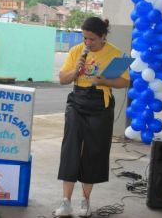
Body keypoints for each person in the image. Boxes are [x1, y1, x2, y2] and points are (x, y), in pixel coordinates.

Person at [55, 17, 130, 217]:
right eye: (85, 38)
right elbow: (63, 79)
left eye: (92, 39)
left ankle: (85, 202)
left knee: (94, 152)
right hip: (77, 101)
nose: (87, 43)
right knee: (70, 147)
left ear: (103, 36)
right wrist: (75, 70)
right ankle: (65, 201)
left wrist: (105, 80)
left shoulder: (115, 54)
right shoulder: (76, 51)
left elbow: (124, 82)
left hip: (100, 104)